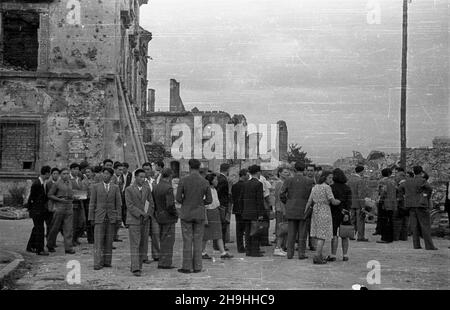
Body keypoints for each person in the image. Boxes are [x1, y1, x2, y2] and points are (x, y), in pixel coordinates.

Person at [176, 159, 213, 273]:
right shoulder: (204, 181)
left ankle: (187, 266)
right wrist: (201, 203)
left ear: (189, 167)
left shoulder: (183, 180)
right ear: (199, 167)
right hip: (199, 213)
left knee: (187, 240)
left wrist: (186, 202)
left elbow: (178, 198)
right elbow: (209, 200)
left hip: (186, 213)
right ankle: (197, 266)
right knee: (198, 240)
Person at [88, 168, 122, 270]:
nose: (105, 175)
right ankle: (97, 263)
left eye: (107, 174)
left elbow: (118, 204)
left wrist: (118, 217)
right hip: (99, 217)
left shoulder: (115, 187)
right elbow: (92, 203)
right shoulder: (96, 187)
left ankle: (107, 261)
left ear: (111, 176)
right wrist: (91, 217)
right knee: (98, 241)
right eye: (104, 173)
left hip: (111, 217)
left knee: (109, 241)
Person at [305, 171, 341, 264]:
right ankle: (317, 256)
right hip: (324, 210)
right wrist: (339, 201)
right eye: (329, 178)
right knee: (322, 236)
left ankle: (319, 255)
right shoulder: (327, 187)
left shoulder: (315, 187)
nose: (331, 179)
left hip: (315, 211)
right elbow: (332, 201)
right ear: (325, 178)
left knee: (318, 234)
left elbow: (309, 201)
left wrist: (305, 212)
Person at [398, 166, 438, 250]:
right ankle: (429, 245)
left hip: (410, 205)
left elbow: (400, 188)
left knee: (414, 226)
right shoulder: (422, 180)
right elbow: (429, 189)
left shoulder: (408, 181)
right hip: (421, 205)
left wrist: (405, 197)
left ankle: (416, 245)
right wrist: (426, 196)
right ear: (421, 172)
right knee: (425, 225)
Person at [280, 162, 314, 259]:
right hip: (304, 208)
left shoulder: (288, 180)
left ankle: (290, 254)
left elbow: (281, 194)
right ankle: (301, 254)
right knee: (302, 234)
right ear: (305, 170)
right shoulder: (309, 181)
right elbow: (312, 196)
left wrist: (288, 202)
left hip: (291, 209)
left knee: (291, 233)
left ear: (294, 169)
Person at [125, 169, 155, 276]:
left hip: (145, 220)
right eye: (140, 177)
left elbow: (151, 203)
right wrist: (142, 213)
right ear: (136, 177)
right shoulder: (129, 189)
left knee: (143, 243)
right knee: (135, 244)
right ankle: (135, 268)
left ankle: (139, 266)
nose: (142, 179)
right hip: (134, 220)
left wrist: (148, 214)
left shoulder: (147, 189)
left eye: (144, 177)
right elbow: (130, 205)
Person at [202, 173, 234, 260]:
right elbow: (204, 205)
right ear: (211, 181)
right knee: (206, 234)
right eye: (215, 179)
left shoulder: (214, 190)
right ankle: (202, 251)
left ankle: (222, 252)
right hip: (209, 213)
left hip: (215, 212)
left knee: (218, 233)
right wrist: (205, 218)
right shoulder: (206, 190)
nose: (217, 181)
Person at [153, 168, 179, 269]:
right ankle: (165, 263)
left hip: (159, 215)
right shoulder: (168, 188)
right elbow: (170, 205)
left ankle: (162, 260)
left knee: (162, 239)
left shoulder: (156, 187)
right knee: (168, 241)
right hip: (168, 217)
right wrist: (175, 214)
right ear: (170, 176)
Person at [47, 168, 75, 254]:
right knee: (55, 227)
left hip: (69, 207)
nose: (66, 175)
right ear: (60, 175)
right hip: (60, 207)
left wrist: (73, 197)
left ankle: (68, 248)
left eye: (67, 173)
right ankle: (50, 244)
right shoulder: (56, 184)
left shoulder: (70, 183)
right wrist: (59, 200)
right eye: (64, 174)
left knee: (68, 228)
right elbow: (50, 195)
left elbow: (72, 193)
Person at [240, 165, 267, 257]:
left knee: (247, 231)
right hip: (255, 211)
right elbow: (259, 200)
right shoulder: (259, 184)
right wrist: (261, 213)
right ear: (258, 172)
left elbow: (242, 198)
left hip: (246, 211)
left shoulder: (245, 183)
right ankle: (255, 250)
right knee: (255, 231)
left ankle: (248, 250)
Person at [26, 166, 52, 256]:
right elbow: (32, 198)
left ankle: (30, 246)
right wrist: (32, 210)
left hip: (40, 210)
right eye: (50, 173)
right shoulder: (37, 184)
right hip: (37, 211)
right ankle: (39, 250)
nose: (50, 175)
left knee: (36, 229)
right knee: (40, 229)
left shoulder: (42, 183)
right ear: (47, 173)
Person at [329, 168, 352, 261]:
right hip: (345, 213)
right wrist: (346, 212)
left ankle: (333, 254)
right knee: (345, 234)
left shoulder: (331, 187)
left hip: (334, 212)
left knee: (334, 234)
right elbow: (349, 202)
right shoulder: (347, 188)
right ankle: (345, 255)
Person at [142, 162, 160, 261]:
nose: (146, 171)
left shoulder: (154, 182)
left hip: (154, 211)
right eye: (144, 169)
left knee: (156, 233)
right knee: (144, 235)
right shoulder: (141, 182)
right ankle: (144, 256)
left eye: (148, 169)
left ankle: (156, 254)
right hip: (145, 211)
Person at [347, 166, 369, 241]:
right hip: (358, 203)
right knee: (360, 221)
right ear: (361, 171)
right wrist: (363, 205)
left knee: (352, 220)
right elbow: (361, 194)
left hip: (351, 203)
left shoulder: (350, 180)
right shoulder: (360, 180)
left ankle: (351, 235)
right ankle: (360, 236)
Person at [273, 167, 291, 256]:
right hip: (281, 208)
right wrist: (284, 209)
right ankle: (278, 247)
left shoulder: (282, 183)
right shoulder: (280, 183)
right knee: (281, 228)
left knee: (282, 228)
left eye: (287, 172)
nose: (287, 174)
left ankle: (281, 247)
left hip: (281, 208)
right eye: (285, 172)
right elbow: (280, 198)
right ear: (280, 173)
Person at [377, 168, 397, 243]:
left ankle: (385, 238)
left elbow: (383, 192)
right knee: (390, 220)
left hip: (384, 203)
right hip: (392, 203)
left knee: (384, 220)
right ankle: (390, 237)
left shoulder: (382, 181)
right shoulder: (393, 181)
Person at [231, 169, 249, 253]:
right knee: (247, 229)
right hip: (244, 209)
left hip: (237, 209)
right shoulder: (246, 185)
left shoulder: (234, 186)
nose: (248, 176)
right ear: (244, 175)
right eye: (247, 174)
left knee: (239, 230)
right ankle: (247, 246)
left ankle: (240, 247)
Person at [216, 163, 231, 249]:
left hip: (221, 204)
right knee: (222, 224)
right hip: (222, 204)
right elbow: (220, 192)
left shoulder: (220, 178)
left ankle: (219, 244)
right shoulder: (223, 180)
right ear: (227, 169)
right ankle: (221, 245)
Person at [393, 167, 409, 241]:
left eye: (397, 176)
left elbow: (399, 197)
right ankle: (404, 237)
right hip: (407, 206)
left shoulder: (401, 185)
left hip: (400, 205)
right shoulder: (408, 184)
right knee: (405, 222)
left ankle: (396, 237)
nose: (396, 178)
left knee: (397, 222)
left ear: (401, 176)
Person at [81, 166, 96, 244]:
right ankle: (90, 238)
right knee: (89, 220)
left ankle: (95, 236)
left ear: (92, 173)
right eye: (86, 172)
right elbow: (83, 193)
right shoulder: (83, 182)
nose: (87, 173)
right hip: (88, 201)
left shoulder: (95, 181)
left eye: (89, 172)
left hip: (95, 202)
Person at [305, 164, 317, 249]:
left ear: (314, 172)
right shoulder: (304, 180)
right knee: (304, 225)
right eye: (308, 170)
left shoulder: (316, 182)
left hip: (314, 206)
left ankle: (312, 244)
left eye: (311, 170)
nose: (309, 172)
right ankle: (302, 243)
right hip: (305, 205)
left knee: (313, 226)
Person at [119, 162, 133, 228]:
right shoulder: (120, 175)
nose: (122, 170)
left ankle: (127, 222)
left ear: (127, 168)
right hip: (121, 193)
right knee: (122, 208)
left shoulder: (130, 175)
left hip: (127, 193)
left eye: (124, 168)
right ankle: (123, 221)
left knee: (127, 208)